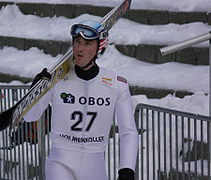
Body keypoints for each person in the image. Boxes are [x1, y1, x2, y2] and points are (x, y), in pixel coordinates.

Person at [23, 20, 139, 180]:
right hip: (60, 163)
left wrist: (126, 169)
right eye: (77, 42)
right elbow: (30, 116)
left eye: (87, 44)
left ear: (100, 48)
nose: (79, 48)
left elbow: (129, 132)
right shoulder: (57, 79)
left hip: (95, 167)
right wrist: (35, 92)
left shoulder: (116, 84)